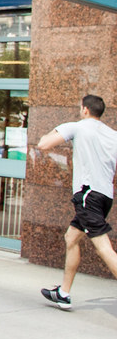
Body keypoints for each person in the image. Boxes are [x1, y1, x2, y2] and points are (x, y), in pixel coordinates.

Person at [36, 94, 117, 310]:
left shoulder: (78, 127)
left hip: (88, 195)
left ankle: (64, 293)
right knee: (71, 237)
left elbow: (44, 144)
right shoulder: (112, 135)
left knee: (104, 248)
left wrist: (53, 131)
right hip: (105, 196)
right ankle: (63, 293)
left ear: (85, 110)